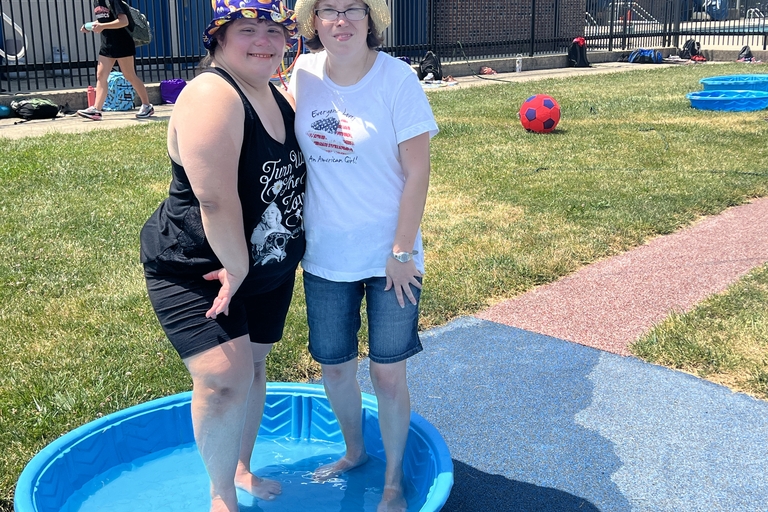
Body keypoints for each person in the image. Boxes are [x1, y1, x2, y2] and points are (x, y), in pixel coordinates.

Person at [139, 2, 304, 511]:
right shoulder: (212, 94)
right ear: (218, 39)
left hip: (264, 264)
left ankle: (240, 468)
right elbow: (214, 199)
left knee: (252, 368)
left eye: (273, 30)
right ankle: (221, 496)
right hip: (199, 267)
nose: (264, 41)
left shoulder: (275, 94)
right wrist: (237, 267)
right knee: (223, 380)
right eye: (247, 29)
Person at [288, 1, 438, 510]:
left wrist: (401, 250)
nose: (341, 20)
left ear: (371, 19)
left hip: (391, 258)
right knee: (334, 368)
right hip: (325, 255)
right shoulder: (303, 73)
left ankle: (393, 481)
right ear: (313, 22)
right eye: (328, 9)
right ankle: (354, 451)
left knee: (387, 374)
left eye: (354, 8)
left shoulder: (397, 79)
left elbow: (417, 172)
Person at [77, 0, 153, 120]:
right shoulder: (97, 2)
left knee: (129, 75)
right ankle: (96, 109)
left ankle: (147, 106)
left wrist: (102, 26)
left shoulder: (113, 1)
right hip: (107, 43)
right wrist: (91, 25)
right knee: (101, 76)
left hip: (122, 43)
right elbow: (105, 20)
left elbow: (123, 21)